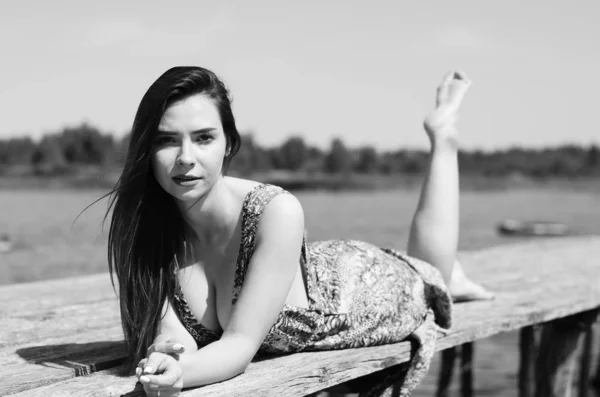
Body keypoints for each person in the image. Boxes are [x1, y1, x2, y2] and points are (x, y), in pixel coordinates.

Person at [106, 66, 492, 397]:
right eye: (166, 140)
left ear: (228, 144)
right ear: (146, 150)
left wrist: (183, 377)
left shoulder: (276, 210)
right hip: (302, 268)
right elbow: (175, 332)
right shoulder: (151, 230)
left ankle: (443, 139)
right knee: (438, 271)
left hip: (362, 290)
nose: (186, 158)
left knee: (429, 275)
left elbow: (239, 346)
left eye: (204, 137)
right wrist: (165, 356)